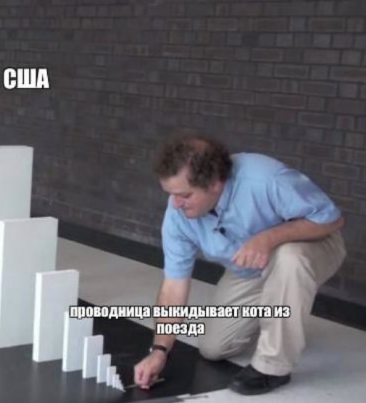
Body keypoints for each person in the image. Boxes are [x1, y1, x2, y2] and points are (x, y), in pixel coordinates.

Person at [134, 134, 346, 395]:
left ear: (214, 183)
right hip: (251, 269)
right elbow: (173, 287)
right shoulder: (178, 214)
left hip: (312, 244)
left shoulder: (266, 179)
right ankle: (278, 317)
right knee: (213, 349)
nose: (176, 204)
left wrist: (269, 238)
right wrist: (159, 351)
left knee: (289, 259)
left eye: (184, 195)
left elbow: (331, 219)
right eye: (171, 195)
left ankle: (273, 367)